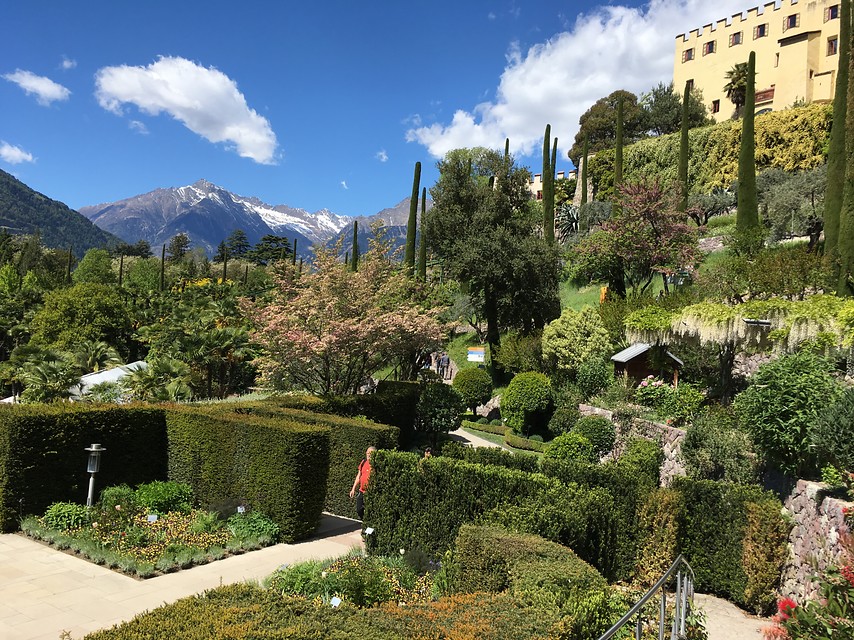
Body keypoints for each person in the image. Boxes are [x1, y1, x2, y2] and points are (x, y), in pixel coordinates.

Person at [349, 446, 376, 520]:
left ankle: (368, 523)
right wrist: (353, 489)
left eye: (371, 453)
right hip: (361, 491)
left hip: (370, 492)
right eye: (368, 453)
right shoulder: (363, 462)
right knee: (359, 509)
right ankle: (364, 521)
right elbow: (358, 476)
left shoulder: (376, 464)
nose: (369, 454)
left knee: (370, 510)